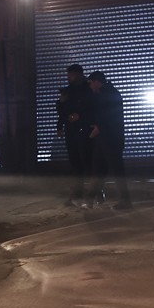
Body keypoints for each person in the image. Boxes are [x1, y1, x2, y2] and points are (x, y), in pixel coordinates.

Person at [84, 71, 132, 210]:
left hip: (111, 138)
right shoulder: (107, 93)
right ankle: (91, 199)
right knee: (98, 168)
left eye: (91, 83)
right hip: (106, 138)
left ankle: (125, 200)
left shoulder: (108, 94)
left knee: (115, 169)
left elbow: (108, 116)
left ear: (96, 82)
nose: (90, 86)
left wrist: (98, 128)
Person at [56, 64, 93, 206]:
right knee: (75, 161)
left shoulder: (88, 88)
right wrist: (60, 125)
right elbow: (62, 110)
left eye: (70, 75)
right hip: (71, 130)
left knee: (87, 160)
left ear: (78, 74)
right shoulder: (69, 90)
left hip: (85, 129)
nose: (68, 77)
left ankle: (95, 191)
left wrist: (80, 116)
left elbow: (94, 107)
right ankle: (78, 192)